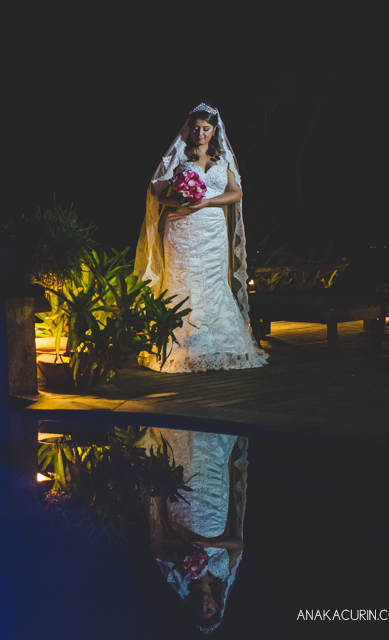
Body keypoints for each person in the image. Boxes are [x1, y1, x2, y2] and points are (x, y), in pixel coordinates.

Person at [133, 103, 267, 372]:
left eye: (206, 129)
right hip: (181, 228)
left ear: (214, 130)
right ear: (189, 128)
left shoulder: (223, 160)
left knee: (213, 281)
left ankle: (223, 345)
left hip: (212, 228)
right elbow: (157, 194)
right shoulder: (178, 158)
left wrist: (206, 202)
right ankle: (179, 346)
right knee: (182, 280)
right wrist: (180, 199)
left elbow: (236, 193)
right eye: (196, 128)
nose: (200, 133)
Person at [146, 427, 248, 633]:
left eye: (200, 610)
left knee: (183, 468)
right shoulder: (222, 574)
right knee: (213, 467)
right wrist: (209, 543)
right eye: (209, 610)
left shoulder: (181, 577)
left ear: (191, 608)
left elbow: (158, 546)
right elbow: (238, 545)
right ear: (217, 606)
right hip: (214, 512)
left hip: (183, 515)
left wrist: (185, 546)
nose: (204, 606)